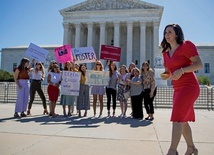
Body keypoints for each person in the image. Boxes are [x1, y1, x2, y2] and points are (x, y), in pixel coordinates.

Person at [160, 24, 202, 155]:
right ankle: (191, 148)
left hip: (189, 87)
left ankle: (172, 151)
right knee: (182, 121)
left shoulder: (186, 46)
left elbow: (199, 64)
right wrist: (164, 76)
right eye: (165, 32)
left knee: (177, 118)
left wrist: (182, 70)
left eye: (170, 32)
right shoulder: (165, 54)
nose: (167, 34)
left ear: (177, 34)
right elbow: (168, 72)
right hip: (177, 88)